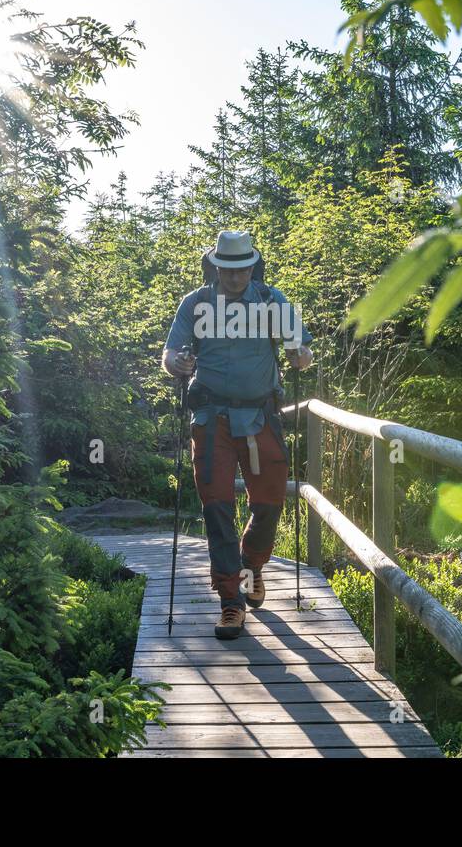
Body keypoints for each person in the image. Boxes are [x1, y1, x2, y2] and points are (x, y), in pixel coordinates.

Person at [162, 230, 314, 639]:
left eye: (242, 267)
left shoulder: (271, 301)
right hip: (211, 420)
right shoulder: (195, 304)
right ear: (215, 266)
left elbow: (302, 351)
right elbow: (170, 354)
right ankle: (231, 601)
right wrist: (177, 363)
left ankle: (252, 566)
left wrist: (300, 355)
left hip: (261, 415)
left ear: (252, 265)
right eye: (227, 268)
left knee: (269, 501)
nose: (235, 275)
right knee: (217, 507)